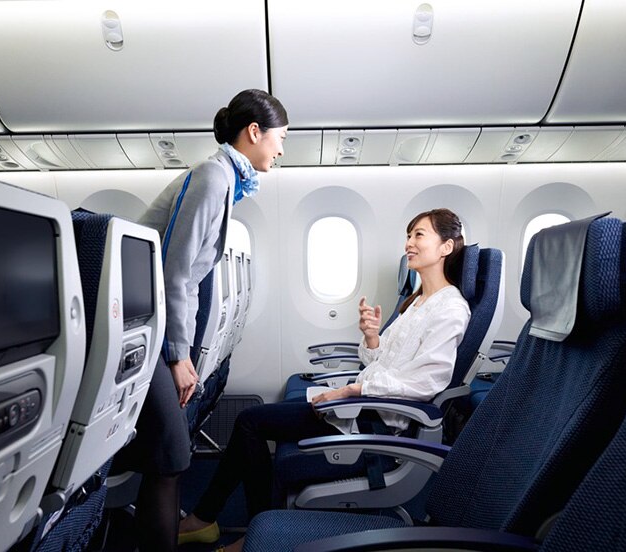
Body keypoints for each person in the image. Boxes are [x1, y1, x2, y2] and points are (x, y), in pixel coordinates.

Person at [178, 208, 472, 552]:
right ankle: (219, 520)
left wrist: (353, 390)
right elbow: (381, 364)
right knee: (251, 422)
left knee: (250, 423)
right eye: (408, 235)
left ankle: (236, 527)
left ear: (446, 247)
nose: (408, 243)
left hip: (374, 422)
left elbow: (428, 383)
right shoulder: (418, 302)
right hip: (362, 406)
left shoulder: (450, 309)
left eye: (419, 235)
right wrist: (372, 337)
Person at [112, 89, 288, 552]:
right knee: (171, 453)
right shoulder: (212, 177)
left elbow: (188, 279)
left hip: (152, 324)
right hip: (139, 326)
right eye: (281, 138)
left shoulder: (224, 180)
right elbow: (174, 272)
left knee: (170, 454)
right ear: (255, 132)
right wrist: (179, 355)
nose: (281, 150)